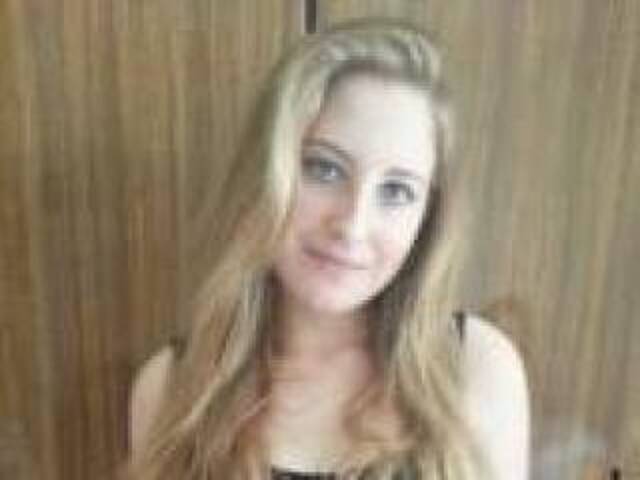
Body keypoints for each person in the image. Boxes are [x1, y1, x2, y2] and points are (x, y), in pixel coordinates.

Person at [122, 18, 530, 480]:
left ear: (427, 218)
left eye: (396, 191)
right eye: (325, 169)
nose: (352, 226)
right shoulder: (170, 390)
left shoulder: (477, 369)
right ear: (265, 175)